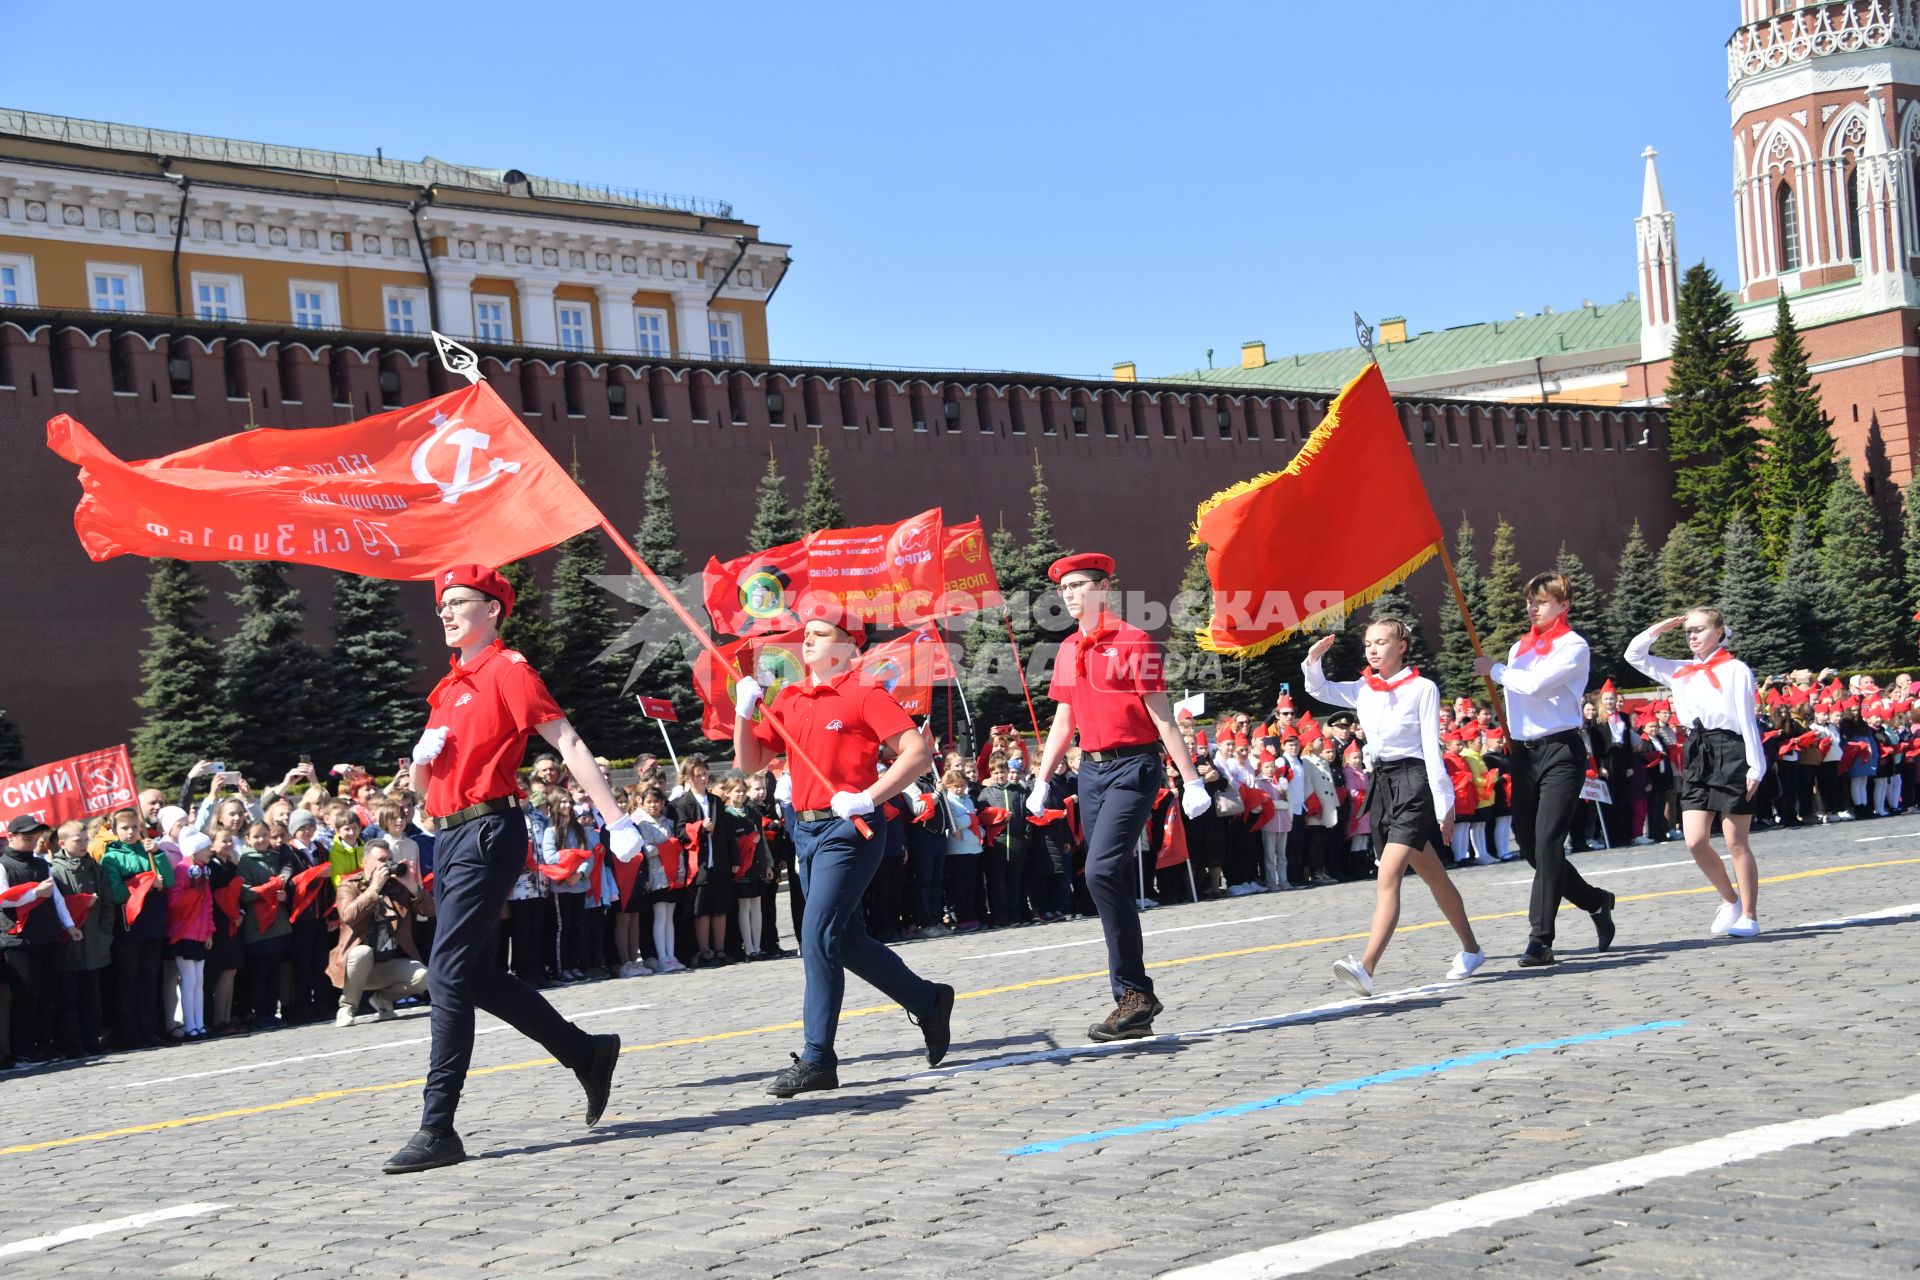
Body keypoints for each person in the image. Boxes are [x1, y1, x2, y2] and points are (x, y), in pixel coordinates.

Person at [383, 564, 631, 1174]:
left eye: (459, 601)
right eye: (442, 603)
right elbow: (423, 787)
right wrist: (418, 765)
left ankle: (438, 1125)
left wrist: (615, 818)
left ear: (492, 610)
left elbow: (567, 741)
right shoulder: (446, 688)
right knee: (471, 973)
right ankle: (584, 1052)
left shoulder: (507, 669)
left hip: (490, 830)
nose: (445, 611)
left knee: (445, 972)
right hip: (450, 833)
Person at [732, 610, 954, 1097]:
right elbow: (749, 762)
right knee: (846, 941)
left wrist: (869, 796)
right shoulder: (789, 698)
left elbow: (916, 753)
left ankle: (818, 1058)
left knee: (816, 936)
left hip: (849, 828)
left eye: (820, 634)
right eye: (806, 634)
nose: (807, 641)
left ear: (850, 645)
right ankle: (928, 999)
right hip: (805, 832)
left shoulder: (864, 693)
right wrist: (744, 713)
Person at [1028, 552, 1209, 1042]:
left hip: (1135, 764)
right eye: (1063, 589)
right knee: (1103, 875)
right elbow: (1064, 720)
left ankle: (1134, 994)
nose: (1068, 594)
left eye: (1078, 585)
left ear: (1105, 587)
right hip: (1090, 771)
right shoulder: (1068, 648)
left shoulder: (1134, 640)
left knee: (1103, 870)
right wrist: (1042, 780)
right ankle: (1136, 1001)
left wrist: (1189, 779)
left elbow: (1161, 715)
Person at [1305, 624, 1483, 997]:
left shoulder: (1423, 688)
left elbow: (1431, 750)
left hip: (1414, 782)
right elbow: (1319, 689)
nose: (1372, 649)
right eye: (1368, 643)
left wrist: (1444, 803)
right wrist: (1314, 659)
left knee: (1388, 875)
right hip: (1382, 784)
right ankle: (1472, 949)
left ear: (1401, 646)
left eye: (1381, 642)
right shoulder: (1363, 688)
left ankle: (1366, 967)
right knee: (1435, 876)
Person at [1473, 572, 1618, 967]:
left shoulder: (1574, 646)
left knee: (1549, 840)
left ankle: (1541, 939)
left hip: (1561, 751)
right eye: (1529, 601)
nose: (1532, 607)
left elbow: (1534, 685)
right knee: (1532, 846)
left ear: (1563, 606)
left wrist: (1495, 669)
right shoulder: (1521, 646)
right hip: (1524, 753)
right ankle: (1595, 901)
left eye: (1541, 601)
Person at [1626, 609, 1767, 937]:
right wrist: (1662, 627)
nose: (1692, 636)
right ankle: (1729, 899)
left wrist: (1756, 765)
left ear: (1719, 632)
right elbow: (1634, 654)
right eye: (1688, 631)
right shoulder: (1679, 671)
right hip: (1696, 750)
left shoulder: (1735, 669)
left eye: (1699, 629)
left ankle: (1749, 915)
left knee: (1735, 840)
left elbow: (1748, 720)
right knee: (1695, 840)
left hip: (1732, 751)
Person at [1, 814, 80, 1065]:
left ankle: (43, 1044)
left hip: (46, 936)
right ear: (11, 838)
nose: (33, 842)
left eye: (35, 838)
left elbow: (56, 898)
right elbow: (3, 898)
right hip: (18, 941)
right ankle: (22, 1049)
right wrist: (35, 893)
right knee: (25, 997)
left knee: (47, 995)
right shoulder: (3, 865)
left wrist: (68, 925)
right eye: (27, 838)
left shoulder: (42, 864)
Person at [329, 840, 434, 1025]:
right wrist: (373, 889)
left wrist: (413, 886)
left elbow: (431, 911)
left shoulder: (397, 886)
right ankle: (347, 1007)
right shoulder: (349, 886)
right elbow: (347, 916)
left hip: (388, 963)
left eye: (390, 859)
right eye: (381, 860)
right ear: (365, 862)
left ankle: (382, 999)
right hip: (358, 966)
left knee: (424, 976)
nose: (386, 864)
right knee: (362, 952)